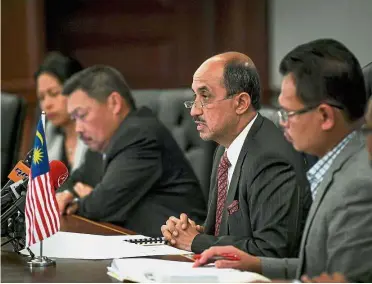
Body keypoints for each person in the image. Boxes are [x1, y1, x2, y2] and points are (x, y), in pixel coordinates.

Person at [193, 39, 372, 283]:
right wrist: (256, 264)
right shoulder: (336, 168)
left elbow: (348, 281)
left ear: (325, 116)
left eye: (289, 113)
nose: (283, 123)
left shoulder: (357, 185)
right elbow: (316, 267)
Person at [161, 52, 312, 257]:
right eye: (194, 97)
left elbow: (271, 249)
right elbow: (221, 231)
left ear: (241, 103)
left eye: (205, 97)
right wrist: (191, 234)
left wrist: (197, 242)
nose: (194, 111)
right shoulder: (224, 148)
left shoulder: (270, 158)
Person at [55, 65, 206, 236]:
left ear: (114, 103)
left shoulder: (140, 135)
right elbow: (72, 186)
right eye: (74, 119)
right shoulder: (99, 145)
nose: (78, 128)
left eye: (82, 115)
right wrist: (76, 196)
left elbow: (102, 204)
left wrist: (84, 200)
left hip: (180, 250)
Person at [35, 52, 91, 172]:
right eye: (41, 97)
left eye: (54, 93)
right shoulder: (47, 134)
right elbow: (20, 181)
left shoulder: (98, 136)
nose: (47, 104)